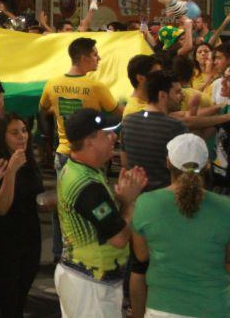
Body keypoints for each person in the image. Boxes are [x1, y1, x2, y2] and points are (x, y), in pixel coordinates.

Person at [55, 108, 147, 318]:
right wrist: (130, 201)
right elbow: (119, 238)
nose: (114, 137)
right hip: (90, 288)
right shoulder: (87, 186)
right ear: (90, 141)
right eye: (107, 133)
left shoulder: (82, 169)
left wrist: (122, 202)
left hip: (85, 281)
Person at [40, 37, 121, 262]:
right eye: (95, 54)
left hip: (62, 153)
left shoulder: (52, 84)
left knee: (62, 206)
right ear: (84, 58)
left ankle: (59, 252)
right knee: (93, 205)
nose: (99, 58)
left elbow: (43, 109)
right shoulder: (96, 87)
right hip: (89, 155)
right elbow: (118, 113)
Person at [131, 133, 230, 318]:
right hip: (214, 307)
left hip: (161, 308)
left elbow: (142, 255)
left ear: (168, 162)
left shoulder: (145, 203)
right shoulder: (226, 207)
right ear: (207, 164)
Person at [0, 114, 43, 318]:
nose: (22, 137)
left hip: (29, 237)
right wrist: (11, 172)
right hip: (4, 242)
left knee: (19, 299)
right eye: (14, 133)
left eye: (24, 131)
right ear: (2, 136)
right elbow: (1, 207)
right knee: (5, 301)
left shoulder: (29, 160)